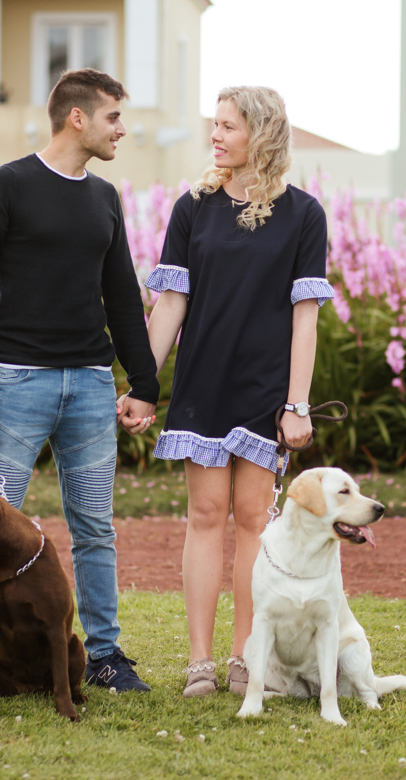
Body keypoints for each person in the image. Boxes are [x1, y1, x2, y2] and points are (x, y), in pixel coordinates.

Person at [0, 68, 159, 701]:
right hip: (14, 386)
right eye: (115, 117)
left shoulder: (104, 198)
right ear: (78, 118)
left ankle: (106, 656)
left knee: (94, 527)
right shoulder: (6, 185)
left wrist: (143, 383)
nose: (124, 129)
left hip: (90, 385)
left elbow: (120, 295)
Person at [139, 86, 334, 697]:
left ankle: (244, 658)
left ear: (262, 134)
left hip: (264, 390)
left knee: (254, 521)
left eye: (228, 126)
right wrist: (144, 387)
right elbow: (171, 303)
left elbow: (306, 317)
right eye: (215, 125)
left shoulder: (304, 214)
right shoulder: (193, 207)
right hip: (202, 381)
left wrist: (297, 404)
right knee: (203, 518)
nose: (215, 135)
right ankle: (200, 661)